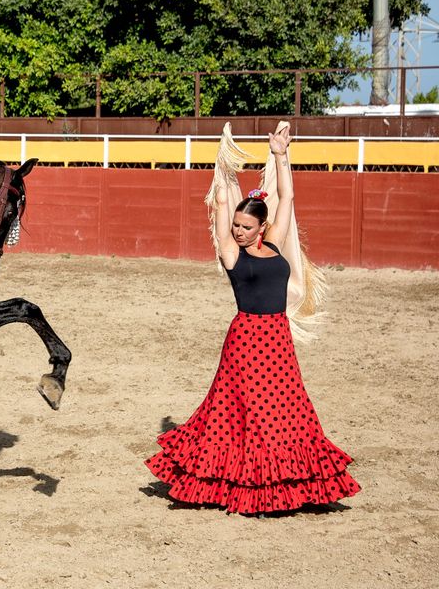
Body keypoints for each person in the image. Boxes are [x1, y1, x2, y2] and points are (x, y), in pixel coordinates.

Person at [145, 123, 360, 515]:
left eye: (246, 227)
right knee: (251, 416)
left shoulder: (275, 241)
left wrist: (280, 155)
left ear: (262, 227)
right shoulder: (231, 253)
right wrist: (223, 169)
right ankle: (251, 492)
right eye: (236, 228)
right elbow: (223, 206)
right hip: (246, 342)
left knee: (289, 412)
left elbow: (287, 195)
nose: (239, 232)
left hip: (278, 339)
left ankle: (289, 488)